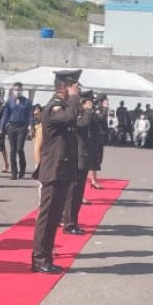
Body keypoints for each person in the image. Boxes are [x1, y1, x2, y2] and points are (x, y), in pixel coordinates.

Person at [32, 69, 82, 273]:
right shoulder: (54, 107)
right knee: (47, 217)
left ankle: (46, 256)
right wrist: (75, 98)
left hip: (62, 169)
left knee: (54, 217)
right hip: (53, 170)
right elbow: (70, 117)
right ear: (64, 87)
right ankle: (39, 259)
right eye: (73, 85)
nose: (77, 89)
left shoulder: (63, 106)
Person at [64, 89, 99, 235]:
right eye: (90, 101)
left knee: (78, 193)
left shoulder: (86, 114)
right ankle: (69, 223)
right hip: (77, 158)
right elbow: (82, 125)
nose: (92, 104)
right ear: (84, 102)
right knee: (74, 192)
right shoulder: (77, 114)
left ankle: (72, 221)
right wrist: (88, 111)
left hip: (83, 157)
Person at [0, 81, 33, 180]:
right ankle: (14, 173)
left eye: (19, 90)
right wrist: (1, 126)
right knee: (12, 150)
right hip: (11, 126)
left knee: (19, 149)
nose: (17, 92)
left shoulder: (27, 102)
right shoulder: (9, 101)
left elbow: (30, 115)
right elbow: (5, 114)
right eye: (15, 90)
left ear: (21, 91)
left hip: (22, 127)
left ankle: (22, 170)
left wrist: (30, 126)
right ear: (13, 90)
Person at [89, 93, 109, 189]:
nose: (108, 102)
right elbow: (100, 118)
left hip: (100, 136)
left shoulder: (100, 108)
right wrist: (105, 108)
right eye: (106, 100)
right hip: (95, 136)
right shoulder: (97, 108)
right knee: (95, 159)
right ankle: (93, 180)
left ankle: (94, 179)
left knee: (98, 159)